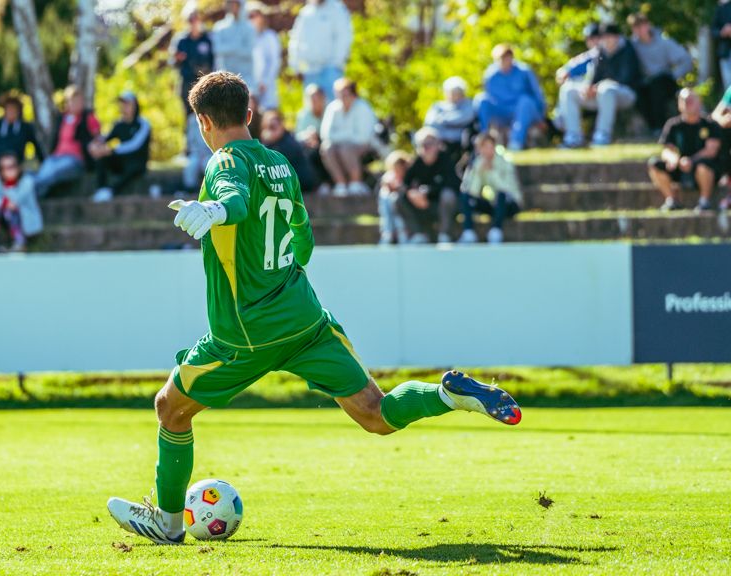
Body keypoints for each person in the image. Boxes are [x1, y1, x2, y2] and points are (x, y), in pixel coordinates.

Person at [104, 72, 521, 545]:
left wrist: (214, 212)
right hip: (306, 320)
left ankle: (169, 522)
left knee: (171, 409)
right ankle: (449, 395)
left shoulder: (223, 161)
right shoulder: (280, 163)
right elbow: (303, 240)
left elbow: (234, 200)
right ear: (249, 113)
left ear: (203, 121)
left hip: (245, 335)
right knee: (375, 414)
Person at [559, 23, 641, 148]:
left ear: (617, 37)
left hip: (626, 94)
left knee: (606, 87)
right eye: (604, 37)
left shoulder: (628, 49)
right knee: (568, 89)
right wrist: (588, 87)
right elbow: (593, 75)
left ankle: (602, 135)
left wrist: (598, 86)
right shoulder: (600, 52)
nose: (606, 40)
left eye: (610, 36)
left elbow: (626, 78)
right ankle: (573, 136)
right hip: (602, 94)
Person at [647, 89, 721, 212]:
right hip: (680, 166)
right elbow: (666, 150)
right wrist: (674, 160)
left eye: (691, 100)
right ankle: (671, 200)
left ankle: (704, 201)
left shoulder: (709, 124)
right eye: (684, 100)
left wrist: (690, 160)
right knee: (654, 164)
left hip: (702, 167)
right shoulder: (673, 124)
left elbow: (711, 150)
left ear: (699, 102)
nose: (687, 103)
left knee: (704, 166)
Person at [627, 13, 693, 135]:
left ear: (648, 26)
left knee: (658, 86)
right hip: (645, 83)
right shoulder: (632, 46)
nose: (639, 30)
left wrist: (674, 75)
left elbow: (685, 60)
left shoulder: (664, 42)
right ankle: (654, 128)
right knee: (637, 93)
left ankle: (661, 126)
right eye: (635, 27)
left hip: (665, 80)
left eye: (641, 26)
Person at [395, 127, 460, 245]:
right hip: (422, 207)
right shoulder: (417, 163)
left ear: (437, 145)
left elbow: (453, 184)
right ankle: (418, 234)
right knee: (398, 199)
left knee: (448, 195)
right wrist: (413, 194)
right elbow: (405, 185)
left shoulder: (445, 160)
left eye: (430, 144)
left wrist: (427, 192)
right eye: (422, 144)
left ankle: (444, 234)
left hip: (440, 206)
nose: (426, 147)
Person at [476, 44, 546, 151]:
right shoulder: (490, 75)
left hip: (524, 111)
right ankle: (485, 139)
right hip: (503, 112)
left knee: (525, 101)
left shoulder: (524, 71)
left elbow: (537, 94)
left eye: (507, 57)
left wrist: (541, 116)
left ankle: (515, 142)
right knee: (481, 99)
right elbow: (489, 98)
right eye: (501, 58)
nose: (504, 61)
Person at [34, 86, 100, 197]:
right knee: (43, 174)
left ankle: (25, 197)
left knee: (50, 175)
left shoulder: (87, 118)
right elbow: (54, 140)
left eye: (78, 101)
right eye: (72, 101)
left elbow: (97, 137)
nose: (75, 104)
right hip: (56, 157)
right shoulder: (61, 119)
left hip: (75, 160)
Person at [458, 133, 522, 244]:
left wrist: (491, 171)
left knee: (501, 195)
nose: (487, 150)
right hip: (493, 205)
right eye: (484, 147)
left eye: (490, 146)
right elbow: (472, 192)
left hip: (510, 204)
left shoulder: (505, 161)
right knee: (465, 196)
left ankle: (496, 231)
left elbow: (506, 189)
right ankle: (468, 232)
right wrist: (479, 171)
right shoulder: (477, 164)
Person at [88, 91, 152, 203]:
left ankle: (111, 191)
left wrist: (111, 150)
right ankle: (101, 189)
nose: (124, 107)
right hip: (122, 162)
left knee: (132, 168)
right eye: (123, 104)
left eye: (128, 104)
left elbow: (135, 145)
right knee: (102, 159)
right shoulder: (118, 124)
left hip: (137, 163)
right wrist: (94, 144)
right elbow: (106, 138)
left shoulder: (143, 124)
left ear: (135, 106)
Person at [288, 0, 353, 104]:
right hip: (310, 71)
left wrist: (336, 64)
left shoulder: (337, 9)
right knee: (312, 109)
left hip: (331, 70)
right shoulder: (306, 12)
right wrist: (295, 66)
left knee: (334, 105)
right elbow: (296, 39)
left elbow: (344, 37)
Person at [320, 78, 377, 196]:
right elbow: (325, 134)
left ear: (353, 93)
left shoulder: (363, 108)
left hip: (368, 146)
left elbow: (363, 137)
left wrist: (340, 137)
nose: (342, 97)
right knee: (327, 148)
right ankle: (341, 184)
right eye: (339, 93)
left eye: (345, 93)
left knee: (345, 149)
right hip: (340, 146)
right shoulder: (332, 108)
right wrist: (347, 135)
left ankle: (356, 183)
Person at [0, 152, 43, 253]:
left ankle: (20, 242)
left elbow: (15, 201)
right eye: (4, 168)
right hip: (7, 219)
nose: (8, 171)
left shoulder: (28, 181)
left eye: (11, 167)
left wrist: (4, 198)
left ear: (18, 167)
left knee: (9, 210)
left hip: (27, 223)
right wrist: (4, 201)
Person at [0, 93, 44, 188]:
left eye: (13, 109)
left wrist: (43, 163)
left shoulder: (25, 128)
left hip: (16, 162)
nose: (11, 112)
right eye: (8, 109)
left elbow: (36, 147)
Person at [169, 4, 214, 116]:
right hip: (187, 84)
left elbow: (215, 60)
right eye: (190, 19)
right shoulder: (181, 40)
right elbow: (172, 63)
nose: (193, 22)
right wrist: (177, 59)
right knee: (189, 116)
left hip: (206, 83)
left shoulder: (208, 39)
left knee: (206, 115)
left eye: (195, 18)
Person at [423, 77, 477, 166]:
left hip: (460, 144)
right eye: (452, 92)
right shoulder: (438, 106)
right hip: (440, 143)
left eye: (458, 92)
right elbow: (430, 123)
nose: (455, 95)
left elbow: (464, 118)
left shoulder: (467, 104)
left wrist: (443, 120)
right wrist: (453, 123)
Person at [260, 110, 317, 193]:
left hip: (301, 183)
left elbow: (277, 160)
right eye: (269, 127)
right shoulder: (268, 143)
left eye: (274, 126)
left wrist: (268, 142)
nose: (271, 131)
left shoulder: (289, 140)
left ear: (281, 125)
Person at [211, 0, 255, 88]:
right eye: (230, 3)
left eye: (235, 3)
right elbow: (217, 49)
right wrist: (237, 47)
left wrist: (229, 49)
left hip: (246, 78)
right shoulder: (220, 27)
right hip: (224, 79)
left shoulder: (249, 28)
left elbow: (249, 52)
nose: (232, 6)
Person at [296, 84, 331, 194]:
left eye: (317, 98)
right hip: (310, 145)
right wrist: (307, 136)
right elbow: (298, 135)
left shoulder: (330, 111)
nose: (314, 102)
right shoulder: (303, 114)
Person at [248, 2, 281, 111]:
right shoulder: (246, 39)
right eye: (249, 16)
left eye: (254, 15)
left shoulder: (269, 36)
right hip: (249, 87)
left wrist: (265, 82)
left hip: (267, 88)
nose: (251, 19)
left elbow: (274, 62)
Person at [377, 151, 411, 245]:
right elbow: (387, 185)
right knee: (387, 198)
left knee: (394, 201)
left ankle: (394, 233)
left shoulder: (409, 176)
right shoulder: (389, 177)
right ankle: (389, 232)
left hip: (407, 211)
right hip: (391, 213)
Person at [182, 113, 212, 193]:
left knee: (208, 164)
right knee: (191, 165)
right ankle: (191, 190)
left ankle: (211, 190)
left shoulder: (213, 117)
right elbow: (190, 141)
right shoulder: (192, 119)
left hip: (210, 153)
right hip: (196, 153)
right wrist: (198, 152)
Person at [714, 0, 731, 91]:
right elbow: (713, 30)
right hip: (725, 52)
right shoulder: (721, 8)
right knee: (728, 85)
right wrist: (723, 32)